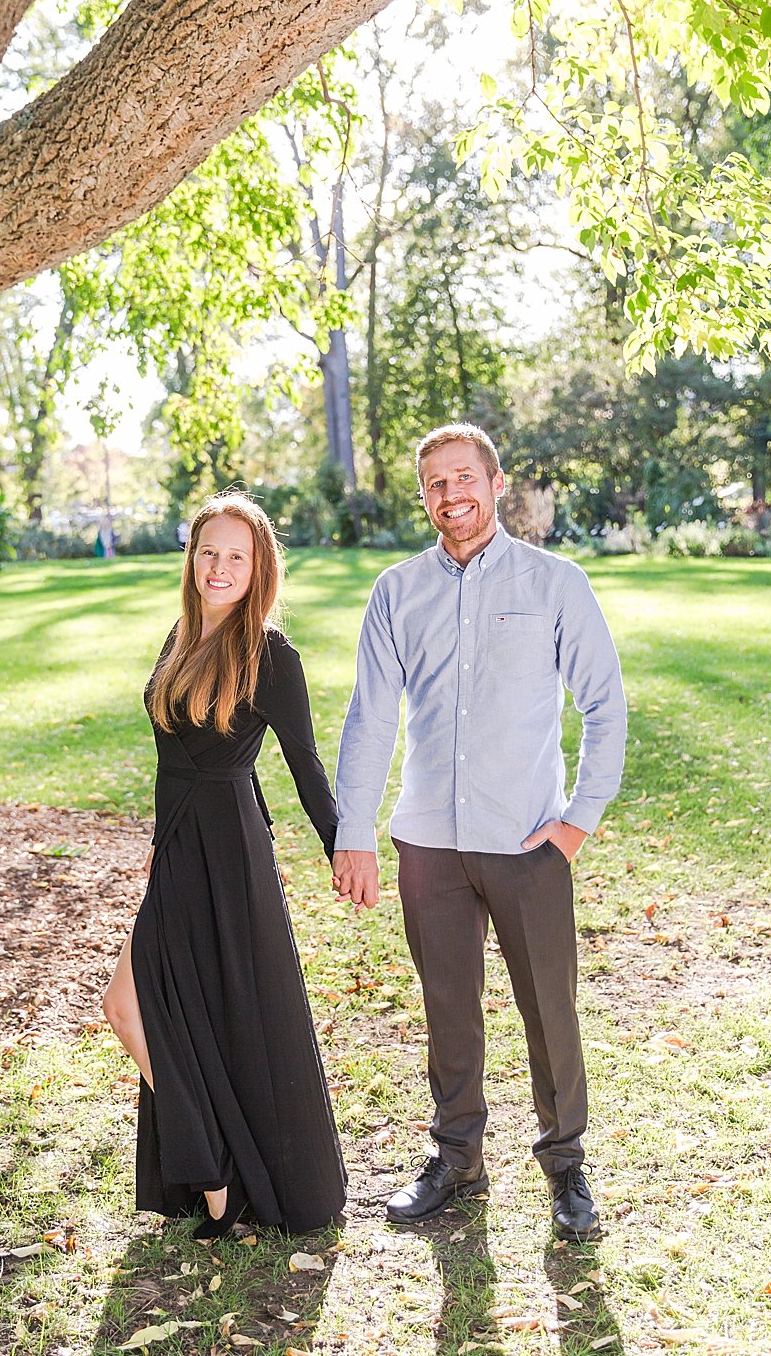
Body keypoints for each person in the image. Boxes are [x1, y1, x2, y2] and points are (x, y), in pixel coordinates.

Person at [332, 423, 626, 1242]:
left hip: (529, 841)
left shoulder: (555, 583)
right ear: (423, 496)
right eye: (435, 484)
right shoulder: (396, 592)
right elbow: (369, 719)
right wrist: (354, 831)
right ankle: (456, 1156)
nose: (451, 495)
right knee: (448, 1011)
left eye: (464, 478)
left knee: (549, 1012)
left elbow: (604, 704)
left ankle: (566, 1165)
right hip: (429, 842)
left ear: (496, 485)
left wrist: (576, 823)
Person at [100, 493, 347, 1238]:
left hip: (233, 853)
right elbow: (167, 759)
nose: (220, 566)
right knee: (131, 1007)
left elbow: (305, 765)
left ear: (258, 568)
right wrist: (154, 841)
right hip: (178, 846)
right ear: (192, 558)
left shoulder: (271, 655)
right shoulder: (178, 637)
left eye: (237, 555)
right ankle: (213, 1166)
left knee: (222, 1014)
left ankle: (222, 1182)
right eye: (209, 551)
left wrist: (344, 850)